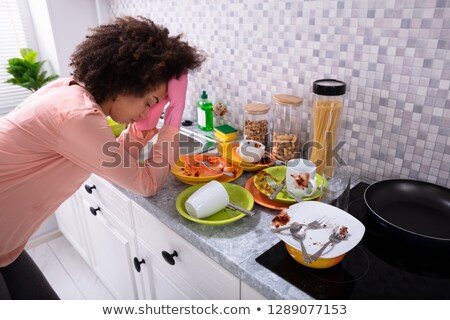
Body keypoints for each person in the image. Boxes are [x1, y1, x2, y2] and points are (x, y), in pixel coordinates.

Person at [0, 16, 205, 298]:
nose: (148, 112)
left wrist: (143, 125)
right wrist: (171, 123)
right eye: (149, 102)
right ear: (125, 83)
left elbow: (116, 159)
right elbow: (145, 184)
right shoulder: (77, 117)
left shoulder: (70, 93)